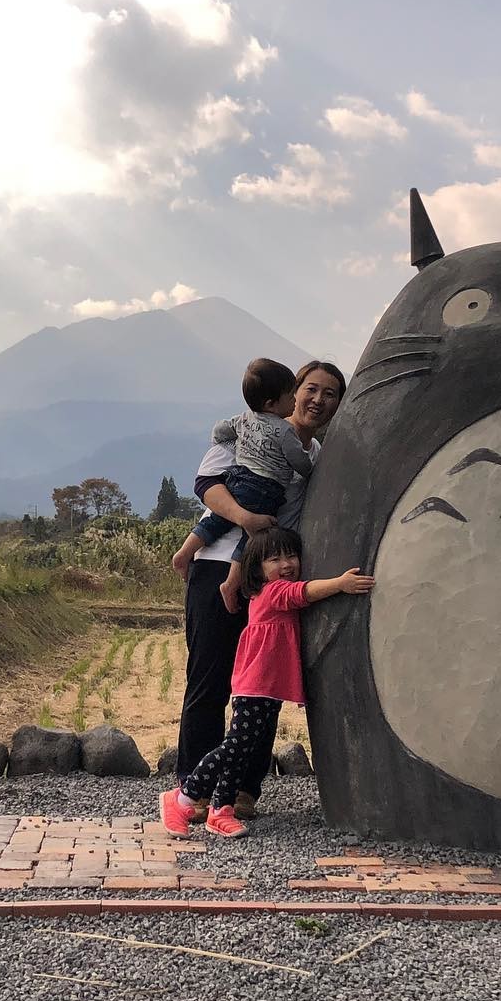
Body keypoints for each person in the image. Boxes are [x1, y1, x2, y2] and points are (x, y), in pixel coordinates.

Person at [175, 360, 346, 821]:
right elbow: (206, 486)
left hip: (273, 584)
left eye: (330, 393)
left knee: (261, 691)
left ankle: (241, 791)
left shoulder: (318, 458)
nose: (318, 400)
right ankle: (190, 787)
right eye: (311, 389)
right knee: (209, 680)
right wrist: (246, 520)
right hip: (217, 566)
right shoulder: (251, 429)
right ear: (293, 391)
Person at [160, 526, 375, 837]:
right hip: (256, 685)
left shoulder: (267, 591)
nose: (286, 564)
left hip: (268, 687)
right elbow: (304, 592)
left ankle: (221, 810)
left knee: (244, 749)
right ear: (257, 569)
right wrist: (341, 583)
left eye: (291, 555)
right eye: (274, 559)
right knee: (235, 746)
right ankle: (183, 797)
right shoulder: (272, 592)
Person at [171, 357, 312, 610]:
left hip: (239, 478)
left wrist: (227, 443)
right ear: (272, 403)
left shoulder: (244, 420)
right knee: (251, 540)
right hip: (265, 490)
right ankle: (231, 584)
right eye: (294, 394)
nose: (294, 400)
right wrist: (310, 470)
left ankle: (183, 553)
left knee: (215, 521)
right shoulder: (285, 431)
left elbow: (220, 430)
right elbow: (299, 462)